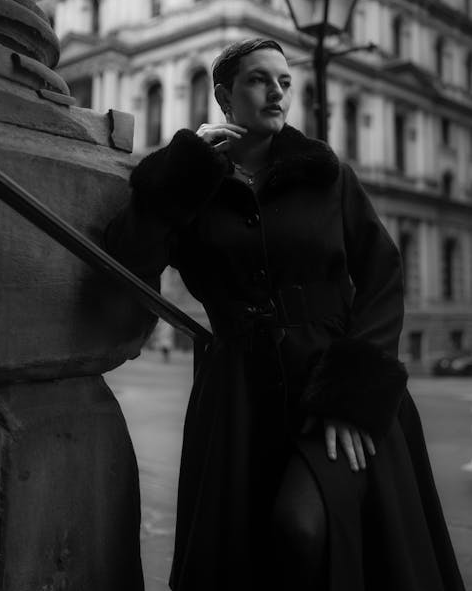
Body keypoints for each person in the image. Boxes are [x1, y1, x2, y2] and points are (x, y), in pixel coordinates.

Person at [105, 38, 465, 591]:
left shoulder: (327, 175)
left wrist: (352, 395)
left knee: (301, 525)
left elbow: (382, 275)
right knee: (251, 553)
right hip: (238, 401)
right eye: (258, 80)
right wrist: (181, 170)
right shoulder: (192, 187)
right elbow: (132, 264)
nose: (276, 91)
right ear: (223, 97)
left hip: (337, 385)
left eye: (285, 81)